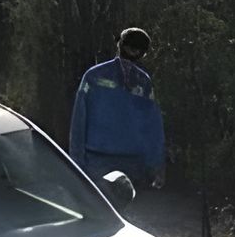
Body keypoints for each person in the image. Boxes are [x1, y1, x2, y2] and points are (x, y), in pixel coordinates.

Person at [68, 26, 166, 189]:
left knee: (101, 209)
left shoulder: (95, 75)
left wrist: (76, 161)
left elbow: (152, 124)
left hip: (109, 161)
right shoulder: (141, 81)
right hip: (112, 161)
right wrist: (157, 164)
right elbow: (153, 126)